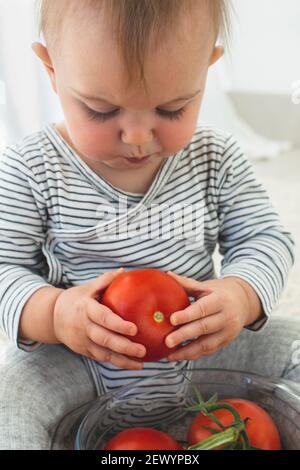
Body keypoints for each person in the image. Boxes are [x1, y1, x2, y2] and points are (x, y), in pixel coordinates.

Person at [0, 0, 299, 450]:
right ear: (51, 70)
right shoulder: (30, 169)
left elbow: (265, 238)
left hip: (204, 347)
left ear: (206, 69)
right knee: (13, 394)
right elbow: (5, 267)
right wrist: (55, 314)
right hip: (79, 361)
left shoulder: (216, 158)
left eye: (172, 108)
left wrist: (241, 294)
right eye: (101, 110)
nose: (138, 137)